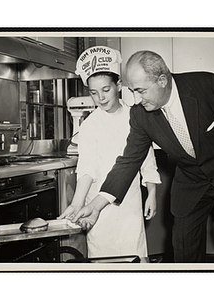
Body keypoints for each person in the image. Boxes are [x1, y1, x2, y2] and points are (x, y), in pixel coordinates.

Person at [73, 50, 214, 263]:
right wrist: (95, 205)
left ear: (163, 80)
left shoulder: (208, 86)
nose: (136, 100)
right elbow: (129, 161)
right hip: (192, 184)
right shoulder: (140, 115)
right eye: (132, 91)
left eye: (141, 91)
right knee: (184, 249)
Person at [58, 46, 161, 258]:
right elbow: (86, 168)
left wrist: (151, 193)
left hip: (130, 203)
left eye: (106, 90)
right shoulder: (89, 125)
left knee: (134, 259)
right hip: (97, 205)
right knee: (103, 261)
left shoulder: (136, 117)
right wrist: (77, 203)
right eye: (94, 93)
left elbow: (147, 161)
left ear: (119, 86)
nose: (101, 98)